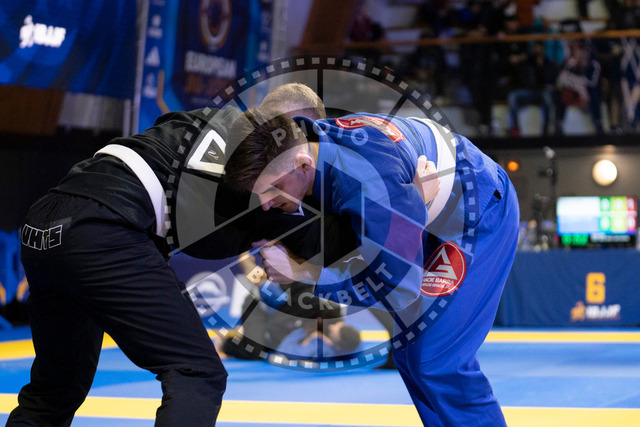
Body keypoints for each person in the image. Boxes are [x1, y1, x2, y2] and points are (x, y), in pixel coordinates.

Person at [8, 83, 359, 425]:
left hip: (45, 222)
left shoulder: (201, 119)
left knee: (54, 390)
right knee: (197, 372)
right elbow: (326, 241)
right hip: (104, 228)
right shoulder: (259, 174)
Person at [224, 102, 520, 426]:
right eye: (259, 192)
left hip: (476, 211)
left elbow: (397, 288)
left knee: (435, 360)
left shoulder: (368, 182)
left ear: (303, 164)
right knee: (409, 356)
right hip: (420, 210)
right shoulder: (303, 140)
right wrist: (412, 208)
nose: (267, 203)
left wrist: (303, 273)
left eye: (274, 188)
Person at [218, 254, 361, 363]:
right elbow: (277, 299)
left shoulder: (331, 332)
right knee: (255, 349)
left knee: (264, 347)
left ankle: (242, 333)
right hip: (260, 304)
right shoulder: (313, 305)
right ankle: (226, 341)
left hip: (282, 311)